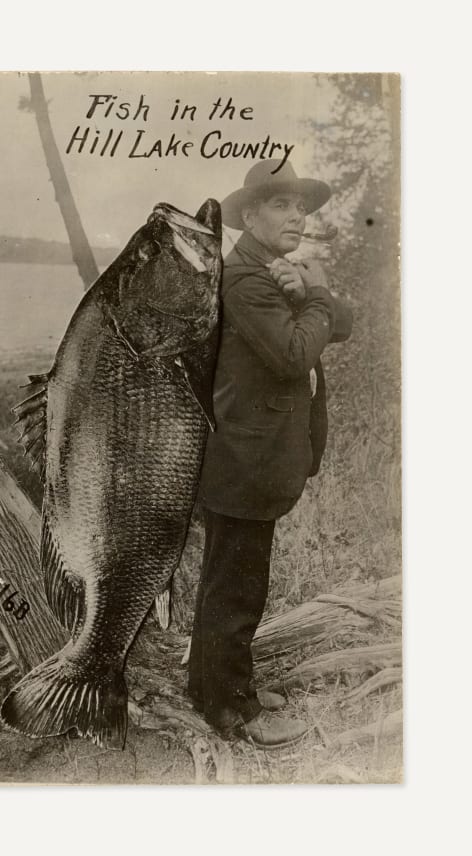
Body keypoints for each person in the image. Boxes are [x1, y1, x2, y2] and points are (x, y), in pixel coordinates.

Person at [188, 159, 353, 746]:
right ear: (251, 216)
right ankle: (235, 711)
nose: (297, 216)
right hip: (244, 461)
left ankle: (206, 687)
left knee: (227, 580)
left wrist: (310, 292)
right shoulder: (246, 280)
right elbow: (293, 355)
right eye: (281, 205)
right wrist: (314, 296)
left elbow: (343, 325)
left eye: (300, 207)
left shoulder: (269, 271)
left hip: (249, 458)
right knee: (237, 590)